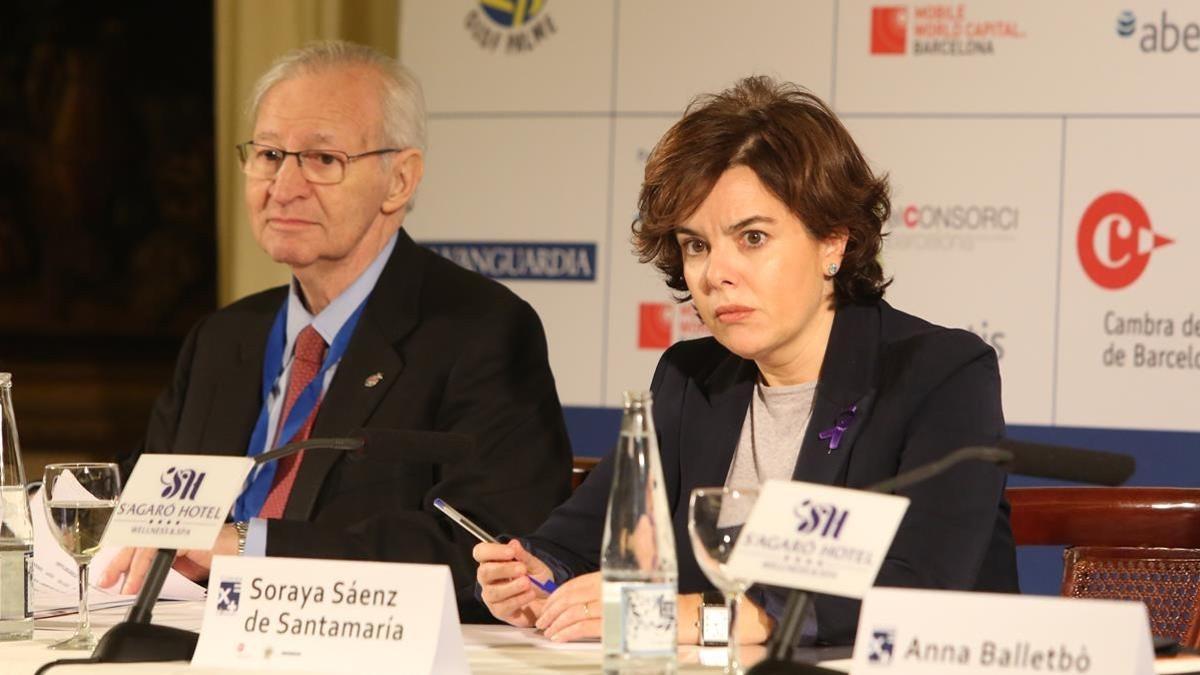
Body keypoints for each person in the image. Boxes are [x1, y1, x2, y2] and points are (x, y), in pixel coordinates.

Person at [473, 76, 1018, 645]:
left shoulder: (939, 373)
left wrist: (703, 616)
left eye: (752, 238)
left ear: (833, 240)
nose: (715, 274)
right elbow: (580, 539)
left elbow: (919, 584)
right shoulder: (691, 380)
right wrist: (536, 575)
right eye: (696, 245)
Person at [100, 41, 573, 619]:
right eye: (270, 154)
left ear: (400, 180)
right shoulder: (223, 339)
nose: (284, 185)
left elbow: (485, 549)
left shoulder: (481, 333)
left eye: (322, 160)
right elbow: (144, 501)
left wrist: (248, 548)